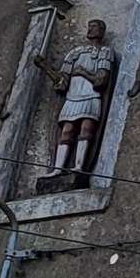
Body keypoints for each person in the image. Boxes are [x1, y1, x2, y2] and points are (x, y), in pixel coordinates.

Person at [41, 16, 117, 185]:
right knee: (66, 131)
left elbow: (101, 80)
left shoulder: (105, 52)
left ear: (102, 31)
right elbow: (62, 81)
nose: (90, 29)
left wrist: (83, 72)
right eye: (89, 26)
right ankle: (58, 168)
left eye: (94, 27)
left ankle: (79, 166)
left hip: (91, 96)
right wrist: (50, 72)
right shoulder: (75, 53)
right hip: (72, 97)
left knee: (86, 128)